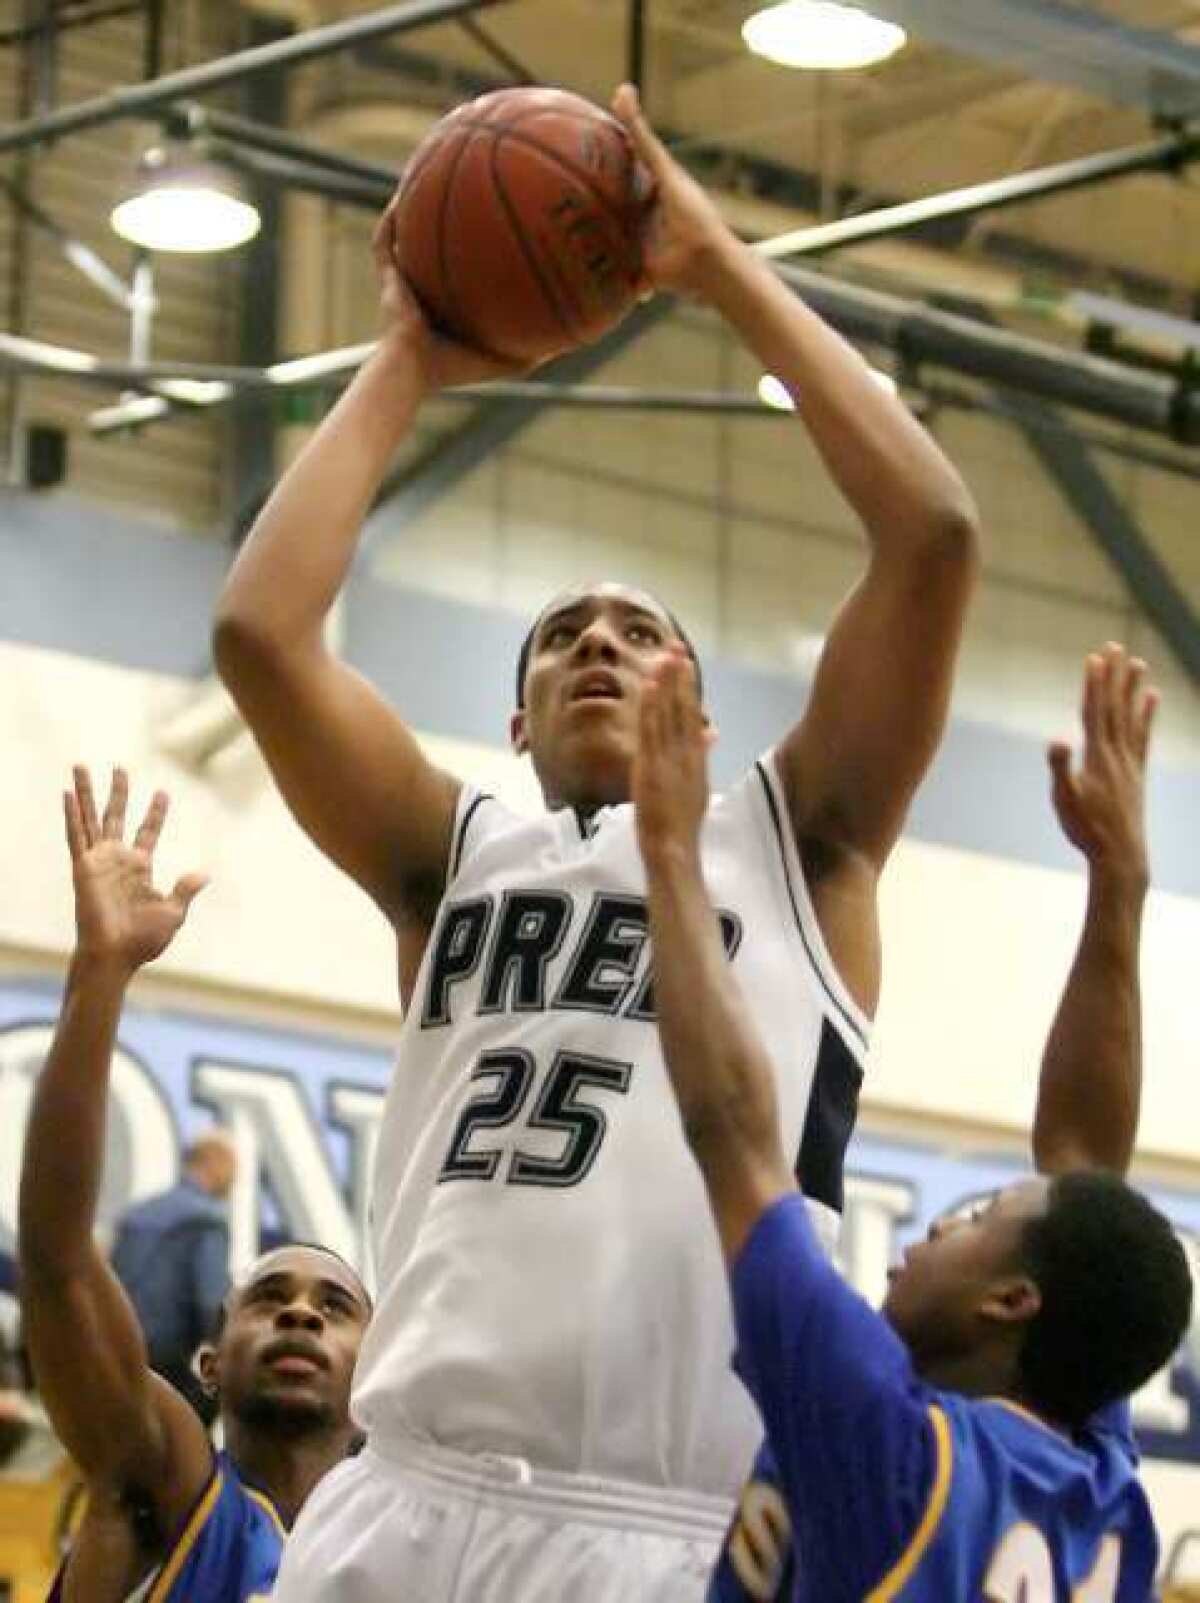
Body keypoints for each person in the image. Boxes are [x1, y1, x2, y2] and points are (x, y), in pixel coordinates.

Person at [213, 81, 980, 1601]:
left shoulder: (802, 840)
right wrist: (410, 352)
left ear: (696, 695)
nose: (598, 646)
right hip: (407, 1490)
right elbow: (258, 632)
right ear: (514, 724)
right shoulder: (456, 853)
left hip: (665, 1512)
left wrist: (715, 268)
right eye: (561, 634)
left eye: (641, 632)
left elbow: (935, 534)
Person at [631, 641, 1193, 1602]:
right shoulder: (1094, 1474)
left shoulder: (883, 1433)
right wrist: (1118, 886)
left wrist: (672, 856)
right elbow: (1084, 1165)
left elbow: (734, 1132)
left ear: (1009, 1301)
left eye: (974, 1220)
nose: (937, 1226)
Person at [19, 767, 370, 1603]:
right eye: (270, 1296)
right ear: (209, 1364)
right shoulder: (163, 1486)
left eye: (335, 1306)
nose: (299, 1311)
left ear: (379, 1374)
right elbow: (58, 1259)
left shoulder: (405, 1551)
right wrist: (101, 970)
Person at [111, 1127, 236, 1420]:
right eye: (233, 1172)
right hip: (165, 1362)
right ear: (214, 1163)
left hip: (114, 1352)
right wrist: (229, 1350)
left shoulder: (136, 1215)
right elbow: (211, 1300)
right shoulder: (208, 1219)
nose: (233, 1183)